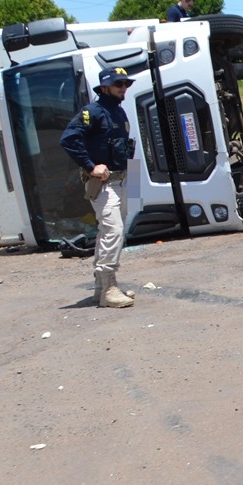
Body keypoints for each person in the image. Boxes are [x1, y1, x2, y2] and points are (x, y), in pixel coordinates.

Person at [59, 67, 139, 308]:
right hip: (104, 185)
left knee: (113, 232)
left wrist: (134, 186)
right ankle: (109, 290)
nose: (123, 87)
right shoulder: (91, 112)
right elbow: (69, 139)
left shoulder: (119, 112)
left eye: (125, 83)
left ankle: (100, 288)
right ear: (104, 87)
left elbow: (126, 148)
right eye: (118, 84)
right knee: (113, 232)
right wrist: (90, 166)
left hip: (124, 179)